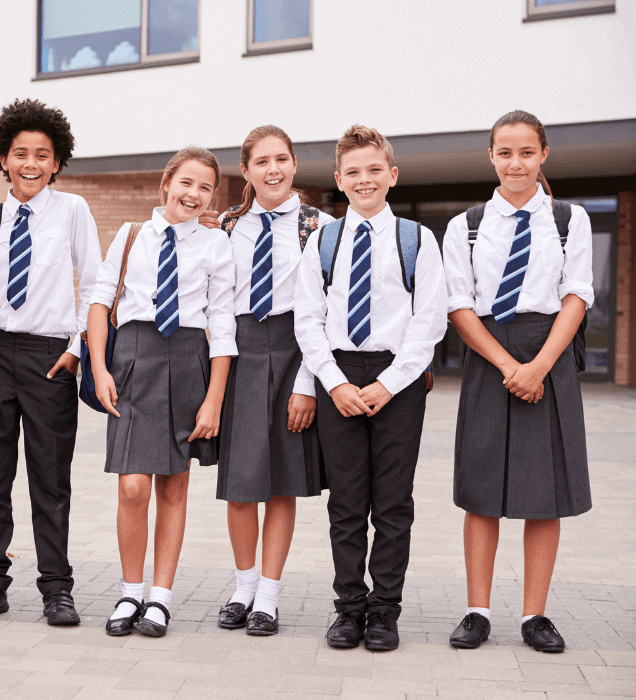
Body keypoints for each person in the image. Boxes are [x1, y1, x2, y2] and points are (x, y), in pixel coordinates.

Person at [444, 110, 593, 653]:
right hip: (489, 356)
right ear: (491, 156)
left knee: (543, 493)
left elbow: (576, 295)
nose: (516, 162)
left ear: (543, 155)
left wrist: (539, 366)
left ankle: (535, 616)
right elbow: (458, 303)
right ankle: (477, 611)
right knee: (481, 491)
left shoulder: (568, 220)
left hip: (547, 354)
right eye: (505, 152)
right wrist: (509, 366)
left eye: (526, 152)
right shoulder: (466, 225)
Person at [294, 125, 447, 651]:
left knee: (392, 503)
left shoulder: (417, 239)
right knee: (346, 502)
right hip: (338, 376)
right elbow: (307, 320)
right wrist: (333, 384)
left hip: (397, 379)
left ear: (392, 176)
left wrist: (388, 383)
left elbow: (429, 323)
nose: (364, 180)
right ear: (339, 179)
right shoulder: (323, 239)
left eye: (374, 170)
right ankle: (348, 608)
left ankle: (384, 611)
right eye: (353, 172)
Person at [0, 99, 101, 626]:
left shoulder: (73, 211)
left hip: (50, 357)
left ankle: (56, 588)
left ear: (57, 161)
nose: (30, 163)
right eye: (20, 153)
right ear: (2, 159)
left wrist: (75, 348)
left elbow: (93, 285)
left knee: (50, 478)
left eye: (42, 154)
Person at [88, 147, 236, 637]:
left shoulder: (216, 246)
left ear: (213, 195)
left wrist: (214, 398)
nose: (194, 194)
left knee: (174, 484)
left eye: (205, 188)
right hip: (132, 360)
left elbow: (222, 323)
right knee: (132, 486)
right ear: (166, 184)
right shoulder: (132, 236)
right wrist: (99, 367)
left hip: (189, 361)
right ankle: (130, 591)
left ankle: (160, 598)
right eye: (186, 183)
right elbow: (99, 300)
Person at [216, 126, 334, 636]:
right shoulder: (222, 226)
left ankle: (268, 595)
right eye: (261, 161)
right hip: (240, 352)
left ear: (293, 164)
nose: (273, 170)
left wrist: (307, 382)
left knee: (282, 481)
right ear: (245, 171)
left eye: (282, 159)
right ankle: (242, 588)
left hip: (294, 351)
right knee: (241, 484)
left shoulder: (321, 226)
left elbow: (325, 312)